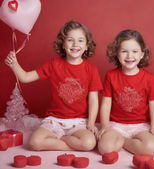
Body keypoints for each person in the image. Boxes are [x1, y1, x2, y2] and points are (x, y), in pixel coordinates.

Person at [5, 20, 102, 151]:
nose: (75, 44)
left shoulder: (91, 69)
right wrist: (14, 65)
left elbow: (93, 100)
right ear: (63, 44)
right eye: (70, 40)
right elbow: (25, 77)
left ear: (86, 46)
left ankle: (60, 140)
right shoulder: (54, 65)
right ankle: (69, 142)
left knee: (89, 143)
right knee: (34, 143)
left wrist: (90, 123)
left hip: (79, 122)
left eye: (80, 40)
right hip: (54, 120)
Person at [97, 30, 154, 156]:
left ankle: (124, 142)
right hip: (116, 125)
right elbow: (106, 104)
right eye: (124, 51)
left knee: (151, 147)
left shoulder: (149, 78)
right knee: (105, 148)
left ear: (142, 54)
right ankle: (124, 141)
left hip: (141, 125)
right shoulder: (111, 76)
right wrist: (105, 126)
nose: (129, 56)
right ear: (117, 53)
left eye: (134, 51)